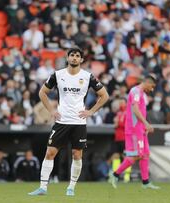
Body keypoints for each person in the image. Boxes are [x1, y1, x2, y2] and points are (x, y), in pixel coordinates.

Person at [28, 47, 109, 196]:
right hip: (62, 121)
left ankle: (71, 187)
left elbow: (104, 95)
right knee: (50, 153)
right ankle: (43, 187)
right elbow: (42, 93)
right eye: (72, 55)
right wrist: (52, 111)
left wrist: (91, 111)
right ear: (67, 58)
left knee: (77, 155)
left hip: (78, 123)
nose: (74, 58)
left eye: (77, 56)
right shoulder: (58, 75)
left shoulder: (87, 76)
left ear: (81, 60)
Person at [109, 74, 160, 189]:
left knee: (145, 154)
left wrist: (144, 127)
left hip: (140, 129)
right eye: (151, 86)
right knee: (136, 156)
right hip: (134, 130)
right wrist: (146, 123)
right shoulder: (136, 91)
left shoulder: (140, 93)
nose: (151, 90)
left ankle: (145, 182)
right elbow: (135, 109)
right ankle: (115, 174)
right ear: (147, 82)